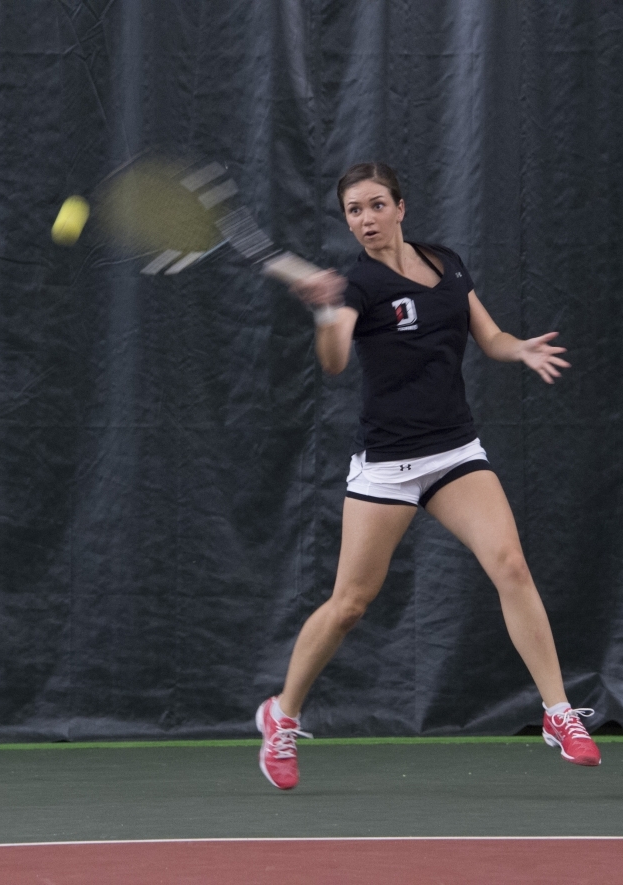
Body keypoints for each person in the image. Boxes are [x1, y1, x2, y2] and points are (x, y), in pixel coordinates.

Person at [255, 162, 601, 790]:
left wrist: (518, 348)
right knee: (350, 606)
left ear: (401, 207)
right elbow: (335, 364)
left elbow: (487, 334)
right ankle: (281, 715)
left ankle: (557, 713)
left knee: (511, 564)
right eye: (354, 210)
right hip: (388, 463)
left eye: (376, 205)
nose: (365, 219)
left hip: (454, 450)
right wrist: (326, 315)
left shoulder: (446, 262)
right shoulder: (357, 284)